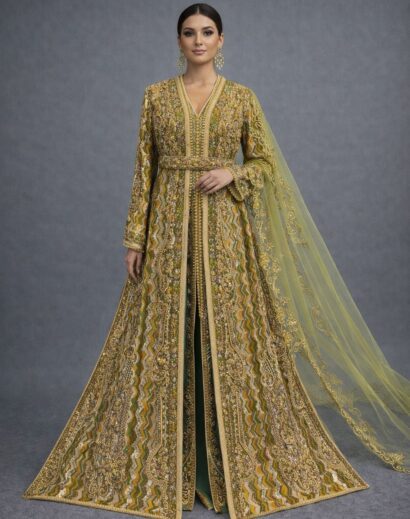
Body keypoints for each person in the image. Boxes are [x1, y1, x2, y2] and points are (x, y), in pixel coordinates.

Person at [22, 3, 410, 519]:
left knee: (225, 328)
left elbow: (267, 163)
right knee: (168, 331)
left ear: (221, 40)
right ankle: (172, 461)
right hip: (167, 228)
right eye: (189, 32)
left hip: (226, 233)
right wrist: (135, 237)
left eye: (208, 32)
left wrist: (234, 173)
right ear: (178, 41)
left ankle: (226, 459)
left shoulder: (242, 98)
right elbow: (144, 169)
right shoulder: (156, 97)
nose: (199, 40)